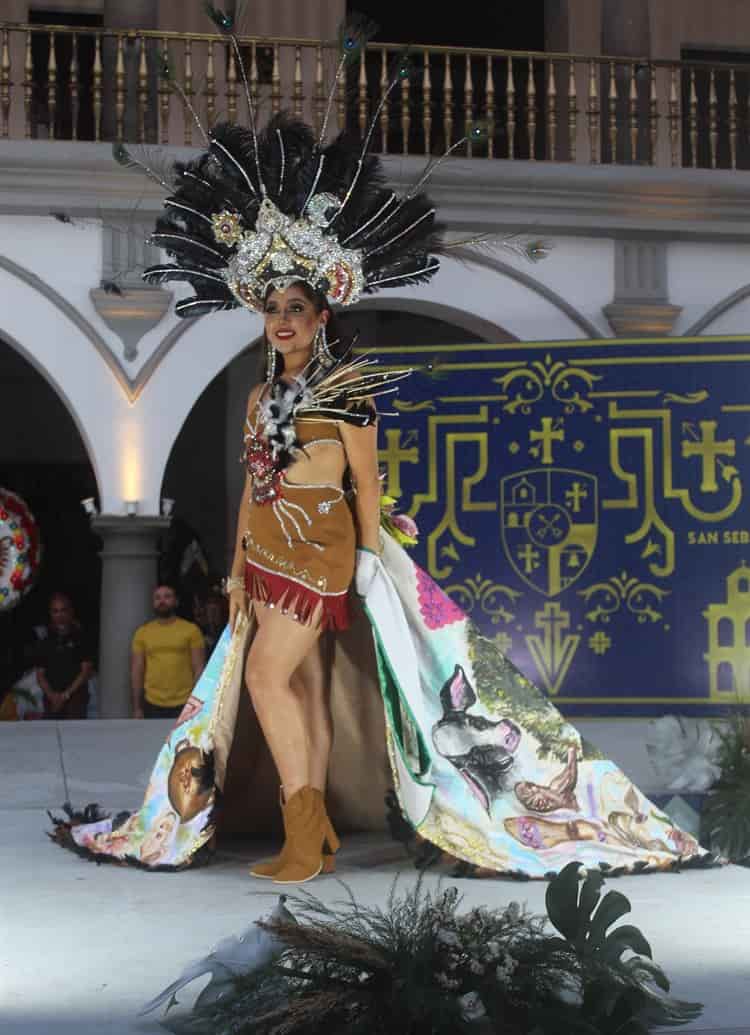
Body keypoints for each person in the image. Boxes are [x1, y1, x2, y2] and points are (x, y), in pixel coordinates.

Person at [49, 13, 713, 881]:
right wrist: (243, 563)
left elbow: (363, 482)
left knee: (264, 680)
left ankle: (301, 822)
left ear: (322, 314)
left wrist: (366, 560)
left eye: (296, 309)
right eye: (271, 310)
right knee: (309, 683)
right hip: (271, 552)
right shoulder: (258, 394)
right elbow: (254, 484)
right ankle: (312, 829)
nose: (282, 321)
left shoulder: (348, 391)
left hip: (325, 549)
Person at [131, 584, 205, 720]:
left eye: (167, 597)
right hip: (152, 702)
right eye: (157, 598)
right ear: (153, 603)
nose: (162, 601)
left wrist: (197, 703)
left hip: (184, 701)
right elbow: (137, 671)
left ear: (176, 602)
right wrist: (137, 708)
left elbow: (199, 668)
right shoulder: (142, 633)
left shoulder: (191, 630)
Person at [36, 593, 94, 720]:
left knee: (74, 737)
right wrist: (52, 696)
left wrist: (65, 696)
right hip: (51, 698)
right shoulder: (45, 639)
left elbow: (86, 672)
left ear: (71, 612)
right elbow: (40, 674)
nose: (59, 615)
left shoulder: (81, 637)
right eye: (55, 611)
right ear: (51, 614)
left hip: (75, 697)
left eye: (63, 610)